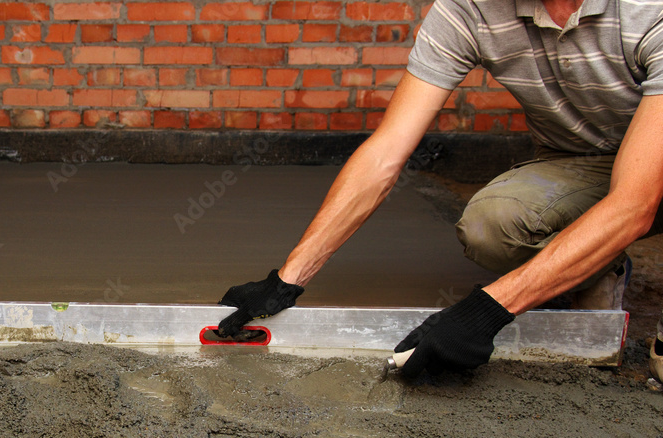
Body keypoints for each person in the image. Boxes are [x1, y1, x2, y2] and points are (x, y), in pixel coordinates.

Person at [217, 0, 663, 380]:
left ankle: (591, 255)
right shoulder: (469, 10)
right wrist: (288, 278)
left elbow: (635, 203)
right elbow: (387, 152)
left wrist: (486, 312)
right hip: (581, 160)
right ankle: (595, 261)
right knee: (494, 224)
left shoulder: (647, 12)